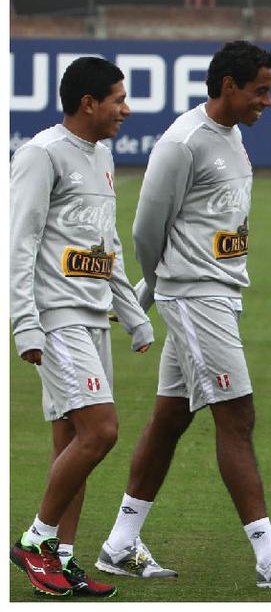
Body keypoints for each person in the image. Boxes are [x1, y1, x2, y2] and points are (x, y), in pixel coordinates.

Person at [95, 41, 271, 590]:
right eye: (260, 90)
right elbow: (145, 231)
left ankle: (119, 544)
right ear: (229, 85)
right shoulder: (183, 142)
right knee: (237, 416)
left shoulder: (232, 136)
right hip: (196, 297)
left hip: (216, 294)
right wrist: (151, 293)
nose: (267, 101)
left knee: (171, 418)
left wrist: (154, 292)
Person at [9, 57, 154, 598]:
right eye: (118, 99)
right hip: (56, 319)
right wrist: (25, 325)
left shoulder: (102, 155)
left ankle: (63, 560)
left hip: (93, 317)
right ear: (89, 103)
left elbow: (105, 243)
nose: (126, 109)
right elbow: (19, 244)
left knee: (70, 442)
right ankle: (35, 540)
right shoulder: (40, 154)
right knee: (101, 433)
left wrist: (133, 313)